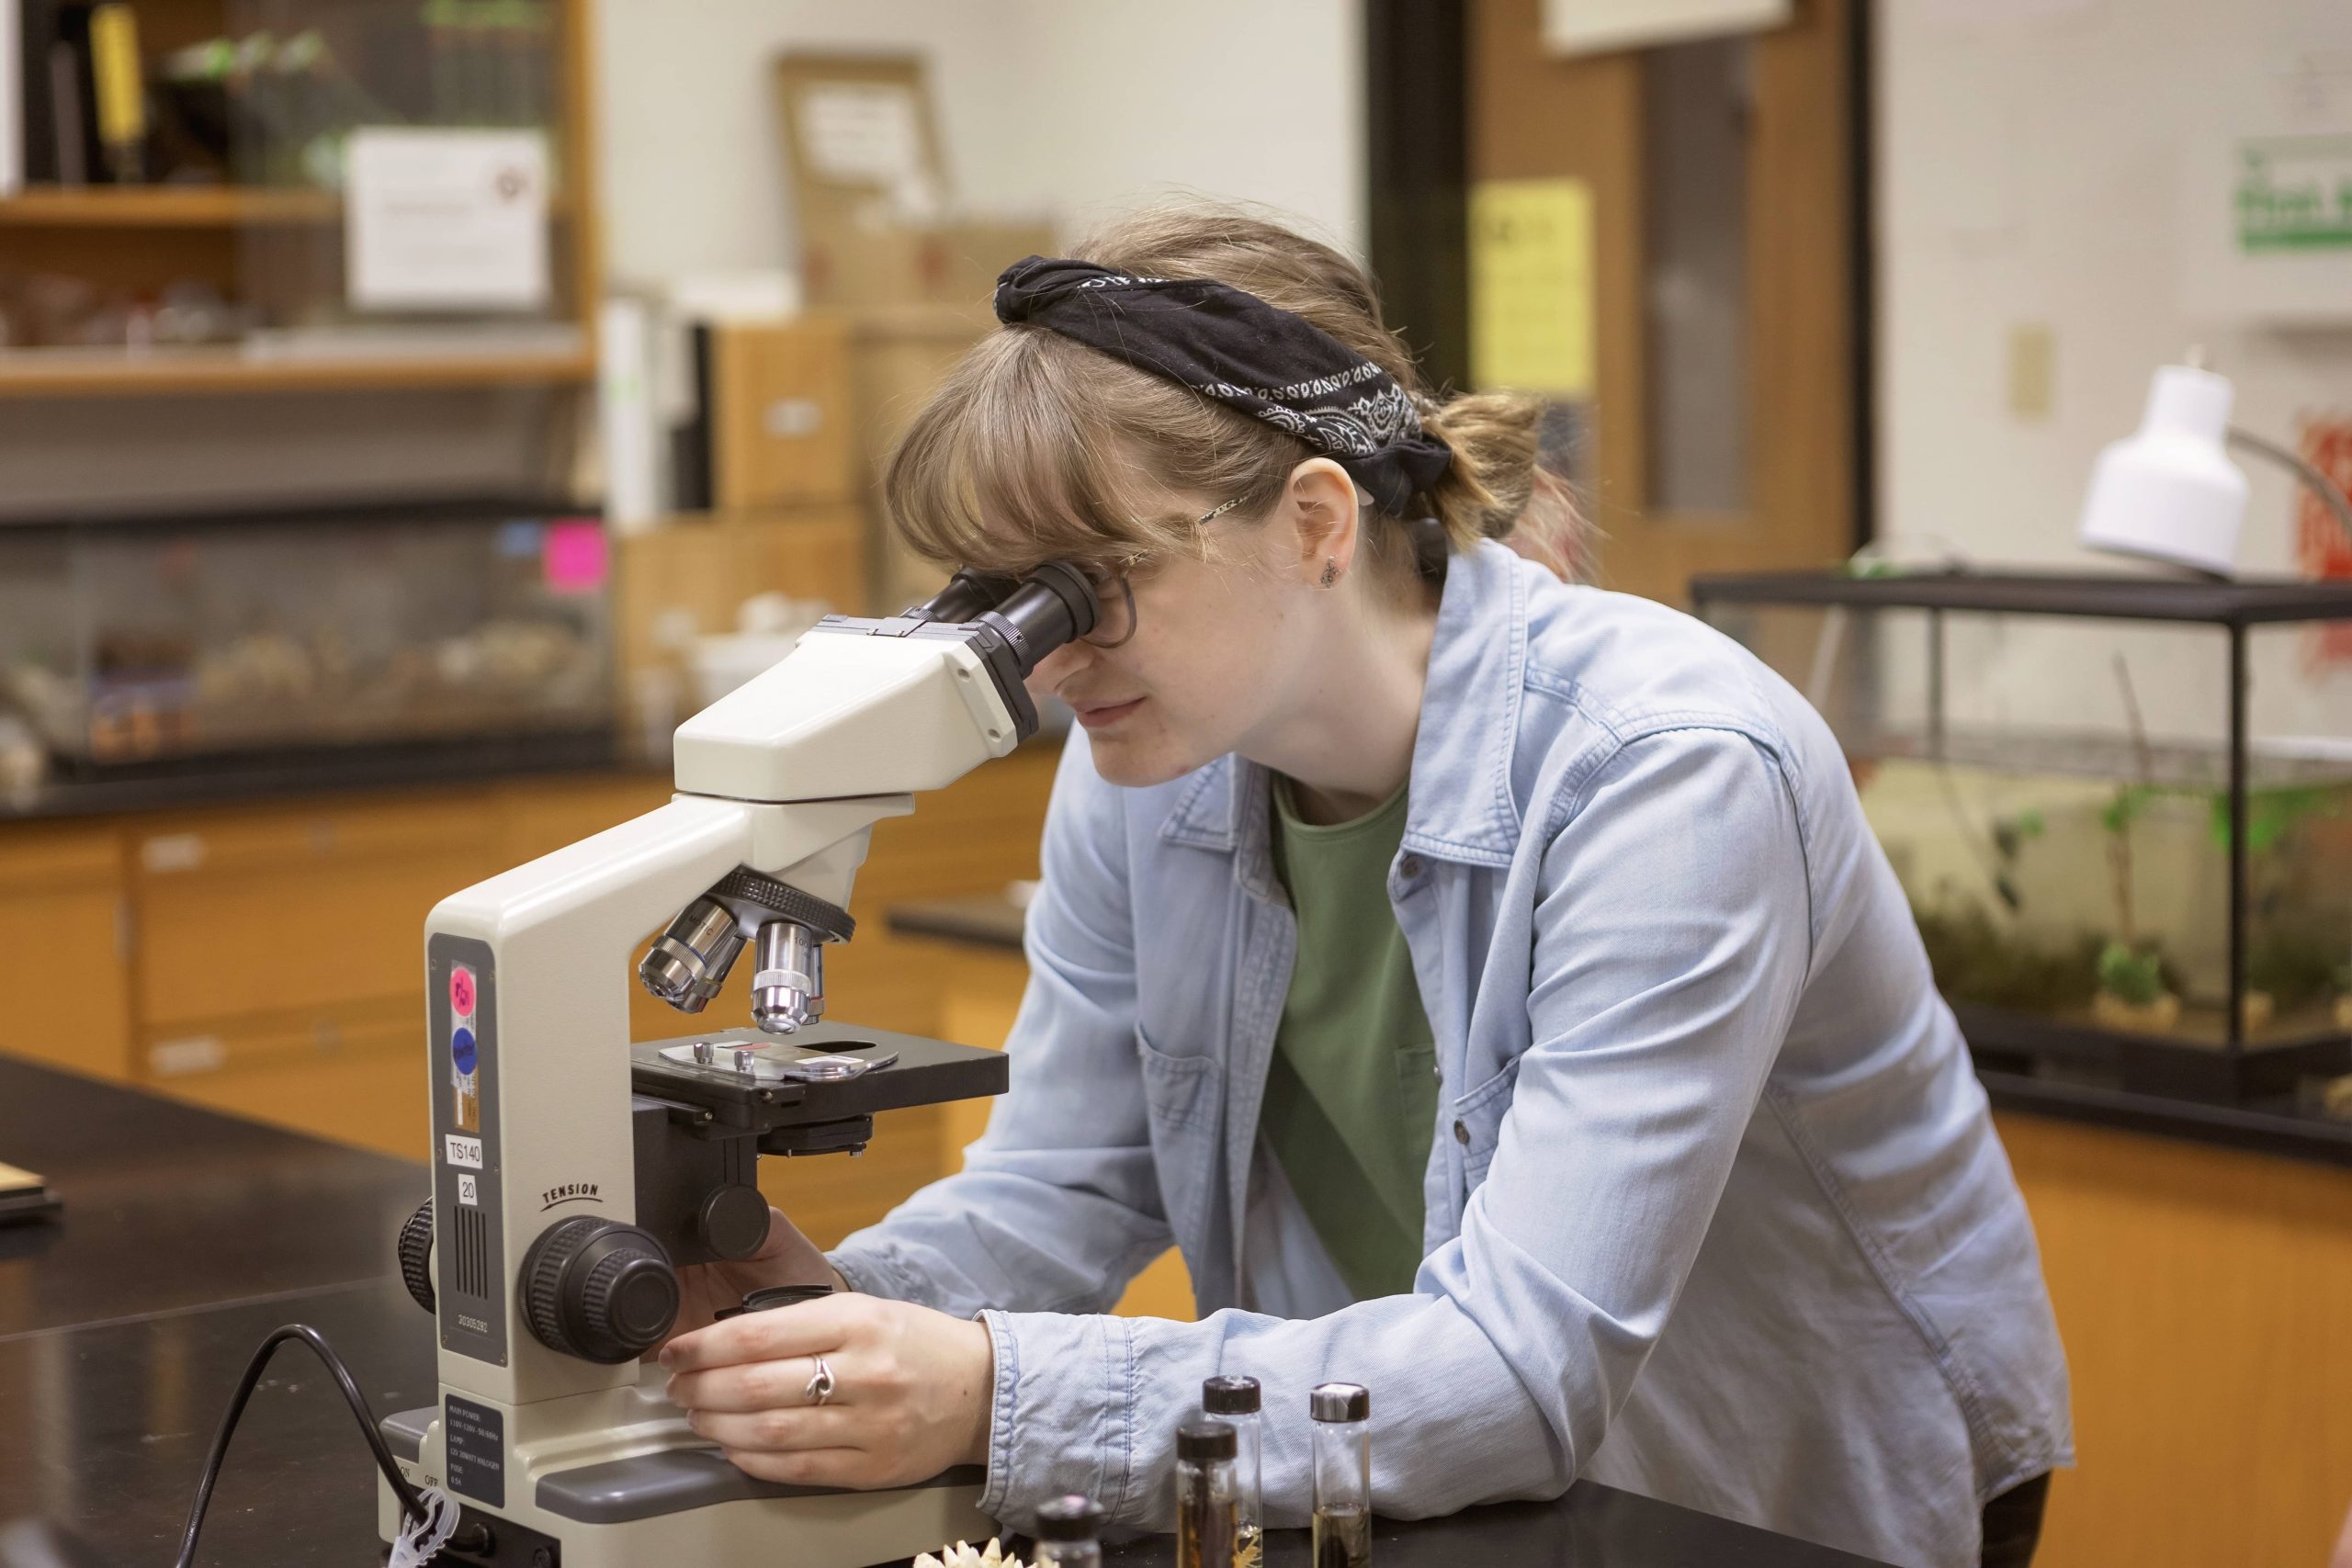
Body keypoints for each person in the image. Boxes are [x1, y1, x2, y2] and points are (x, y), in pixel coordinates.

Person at [653, 203, 2071, 1568]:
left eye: (1090, 587)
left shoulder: (1665, 772)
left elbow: (1518, 1368)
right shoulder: (1143, 767)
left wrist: (993, 1394)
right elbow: (1069, 1182)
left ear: (1318, 522)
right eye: (1008, 601)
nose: (1051, 662)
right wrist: (834, 1316)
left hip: (1774, 1484)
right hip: (1441, 1468)